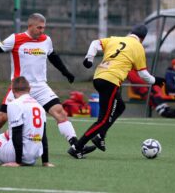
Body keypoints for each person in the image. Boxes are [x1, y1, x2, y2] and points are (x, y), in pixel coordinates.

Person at [0, 13, 95, 157]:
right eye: (39, 27)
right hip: (19, 88)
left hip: (40, 87)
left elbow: (53, 57)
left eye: (44, 28)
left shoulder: (46, 40)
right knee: (1, 119)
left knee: (60, 112)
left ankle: (76, 147)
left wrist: (66, 72)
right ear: (30, 26)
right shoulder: (15, 39)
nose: (42, 31)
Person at [68, 24, 166, 159]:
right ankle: (77, 148)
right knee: (102, 120)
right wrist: (156, 81)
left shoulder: (115, 39)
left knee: (120, 106)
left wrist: (89, 58)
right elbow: (143, 75)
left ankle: (100, 136)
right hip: (111, 81)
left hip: (99, 77)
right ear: (142, 38)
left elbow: (95, 43)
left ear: (131, 32)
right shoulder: (138, 47)